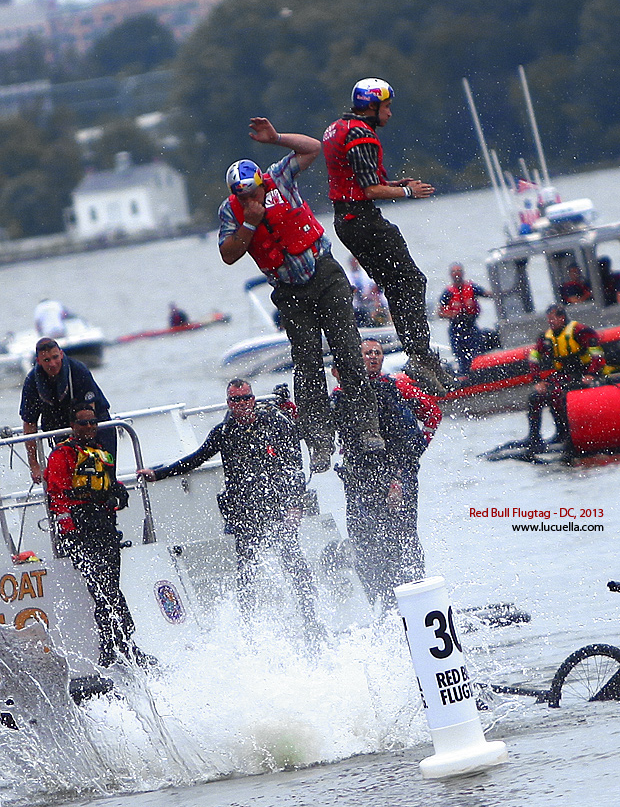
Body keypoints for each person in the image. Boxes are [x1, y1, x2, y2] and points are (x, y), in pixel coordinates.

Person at [218, 116, 383, 474]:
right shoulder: (232, 213)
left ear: (261, 181)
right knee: (307, 365)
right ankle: (320, 444)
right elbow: (228, 254)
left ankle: (367, 428)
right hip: (290, 291)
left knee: (347, 352)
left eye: (253, 191)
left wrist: (276, 138)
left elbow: (313, 148)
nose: (250, 198)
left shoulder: (279, 176)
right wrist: (250, 221)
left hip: (324, 274)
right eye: (242, 195)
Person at [138, 379, 324, 645]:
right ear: (229, 404)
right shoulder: (224, 432)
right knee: (246, 570)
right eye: (235, 400)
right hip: (246, 512)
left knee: (293, 562)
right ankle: (249, 629)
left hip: (280, 508)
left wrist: (295, 505)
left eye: (246, 398)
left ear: (253, 399)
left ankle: (311, 617)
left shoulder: (276, 424)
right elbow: (196, 458)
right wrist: (158, 473)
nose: (242, 404)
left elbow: (294, 467)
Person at [322, 77, 448, 395]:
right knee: (412, 280)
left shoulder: (338, 127)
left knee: (396, 285)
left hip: (347, 222)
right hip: (363, 221)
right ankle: (420, 356)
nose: (390, 114)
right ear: (372, 106)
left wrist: (393, 182)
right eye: (387, 107)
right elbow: (369, 189)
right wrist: (406, 190)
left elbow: (358, 178)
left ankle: (418, 356)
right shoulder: (362, 134)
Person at [331, 339, 442, 609]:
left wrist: (413, 456)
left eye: (377, 353)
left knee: (403, 535)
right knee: (364, 539)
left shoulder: (393, 386)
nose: (372, 357)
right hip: (361, 479)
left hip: (398, 474)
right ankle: (381, 602)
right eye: (366, 353)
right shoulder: (343, 393)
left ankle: (418, 599)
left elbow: (433, 415)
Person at [44, 402, 153, 669]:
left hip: (104, 527)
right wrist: (69, 533)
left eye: (93, 422)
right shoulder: (62, 455)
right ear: (73, 426)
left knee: (111, 588)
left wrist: (117, 492)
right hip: (81, 532)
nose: (90, 427)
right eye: (84, 423)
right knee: (102, 590)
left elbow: (106, 482)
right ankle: (112, 648)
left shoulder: (99, 452)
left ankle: (123, 646)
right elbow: (56, 496)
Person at [20, 338, 115, 483]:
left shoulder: (78, 370)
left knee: (101, 479)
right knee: (66, 483)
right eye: (46, 360)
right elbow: (29, 424)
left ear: (61, 354)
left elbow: (90, 412)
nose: (52, 363)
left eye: (55, 357)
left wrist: (85, 451)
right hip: (62, 431)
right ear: (38, 361)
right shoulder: (32, 381)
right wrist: (34, 464)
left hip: (96, 426)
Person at [525, 304, 607, 453]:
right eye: (548, 319)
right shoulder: (546, 337)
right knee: (535, 396)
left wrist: (591, 374)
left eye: (553, 319)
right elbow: (533, 357)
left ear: (562, 318)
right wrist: (537, 381)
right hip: (563, 373)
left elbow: (597, 354)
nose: (550, 322)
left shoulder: (580, 331)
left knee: (561, 395)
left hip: (582, 373)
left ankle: (569, 435)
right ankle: (535, 438)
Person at [437, 263, 492, 377]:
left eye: (459, 271)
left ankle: (480, 374)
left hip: (471, 326)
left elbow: (487, 294)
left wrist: (501, 291)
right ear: (451, 275)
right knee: (460, 355)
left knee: (476, 350)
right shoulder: (448, 293)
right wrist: (451, 314)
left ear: (463, 273)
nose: (457, 274)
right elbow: (440, 312)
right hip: (456, 328)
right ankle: (464, 376)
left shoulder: (472, 287)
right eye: (454, 272)